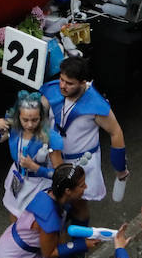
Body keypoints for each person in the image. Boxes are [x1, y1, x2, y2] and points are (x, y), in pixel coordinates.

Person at [42, 56, 128, 226]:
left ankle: (79, 243)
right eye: (61, 79)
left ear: (83, 83)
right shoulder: (51, 91)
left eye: (69, 83)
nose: (62, 86)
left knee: (78, 204)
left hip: (80, 165)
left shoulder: (97, 105)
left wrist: (120, 170)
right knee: (52, 198)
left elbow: (116, 133)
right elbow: (31, 114)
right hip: (54, 158)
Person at [0, 90, 63, 218]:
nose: (30, 124)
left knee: (34, 223)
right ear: (18, 116)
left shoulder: (51, 139)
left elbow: (60, 174)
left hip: (39, 184)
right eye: (25, 120)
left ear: (42, 117)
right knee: (14, 216)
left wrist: (35, 167)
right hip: (17, 177)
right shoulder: (14, 128)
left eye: (35, 120)